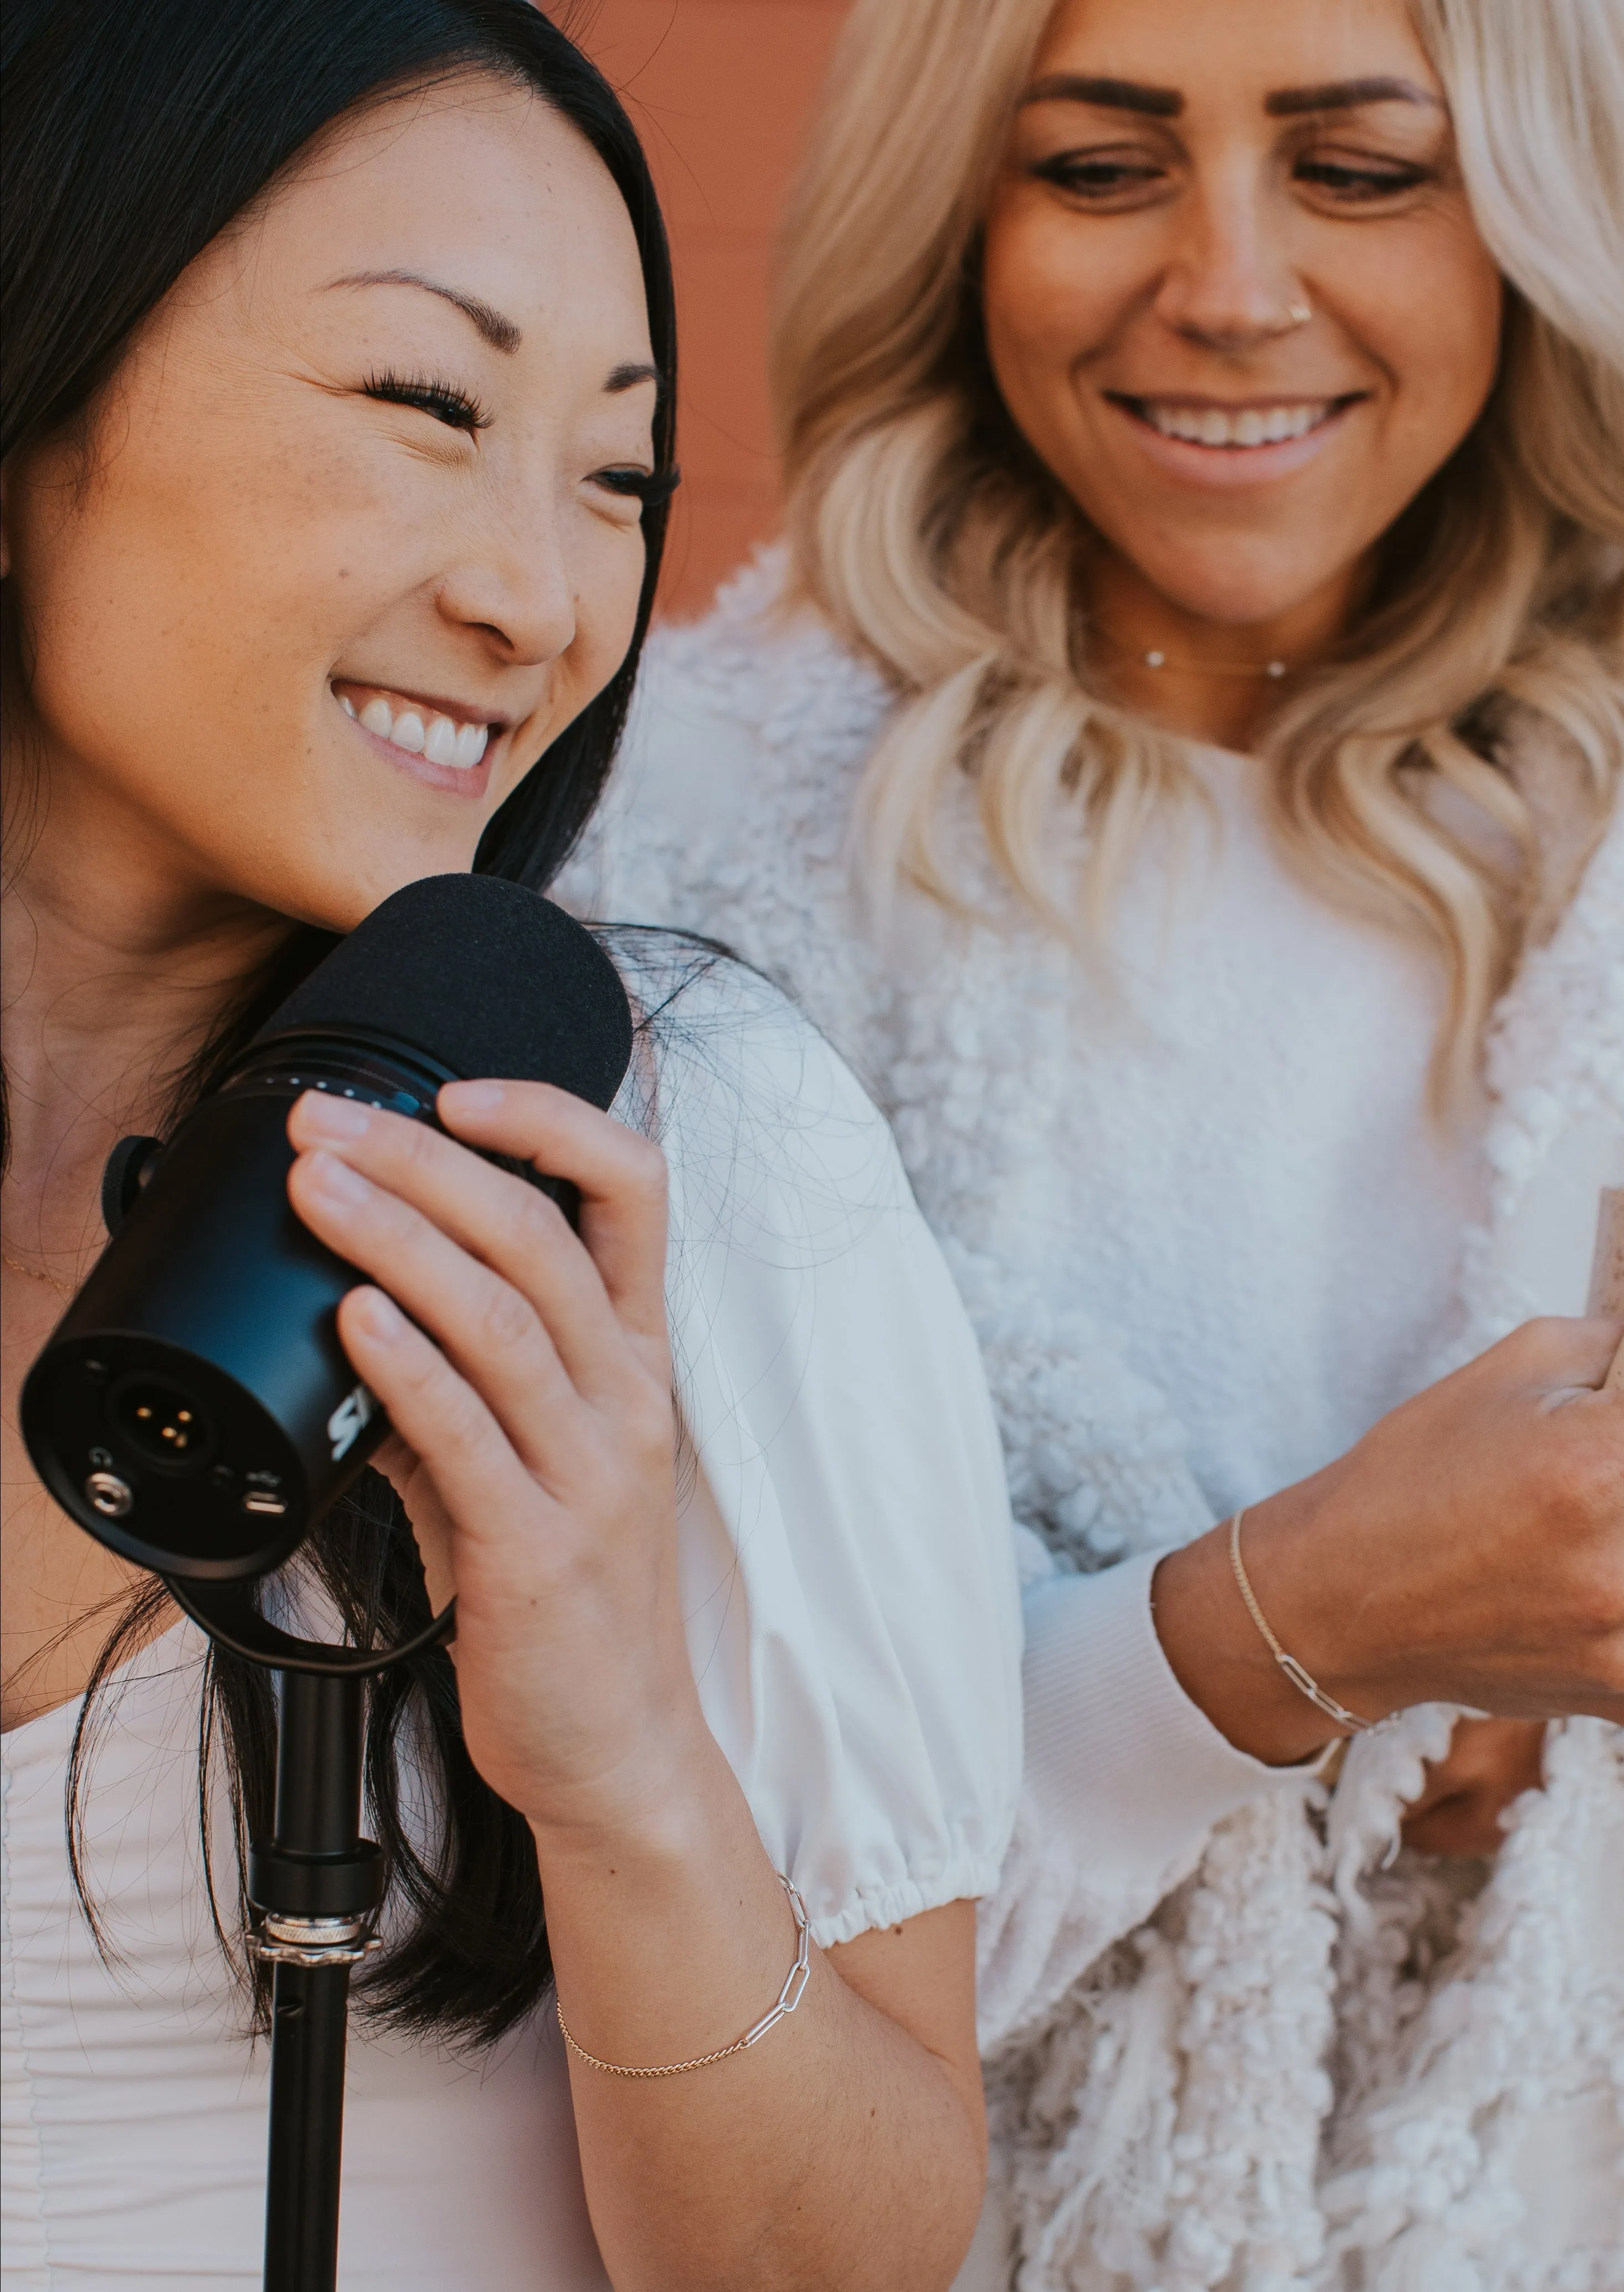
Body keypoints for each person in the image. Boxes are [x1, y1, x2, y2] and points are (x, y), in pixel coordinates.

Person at [559, 0, 1624, 2284]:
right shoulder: (681, 856)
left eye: (1356, 171)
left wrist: (1546, 1753)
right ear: (954, 212)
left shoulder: (1602, 889)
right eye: (1098, 165)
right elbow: (647, 1917)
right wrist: (1292, 1633)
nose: (1230, 286)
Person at [0, 5, 1025, 2287]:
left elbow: (851, 2254)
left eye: (615, 480)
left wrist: (618, 1751)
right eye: (429, 408)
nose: (541, 599)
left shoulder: (695, 1156)